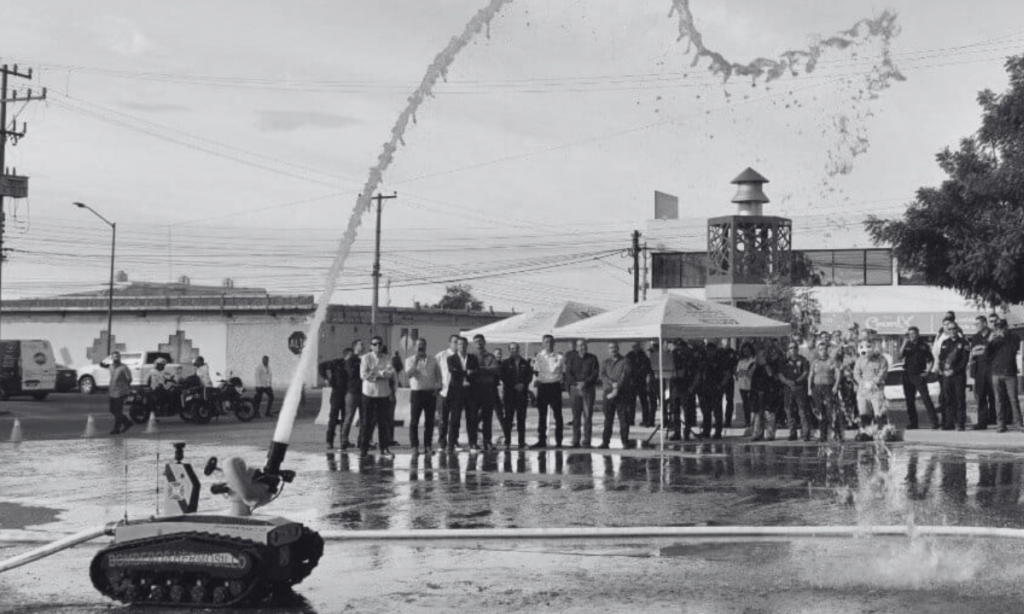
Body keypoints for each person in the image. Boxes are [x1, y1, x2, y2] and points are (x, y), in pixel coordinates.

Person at [359, 336, 396, 458]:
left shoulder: (387, 357)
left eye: (380, 344)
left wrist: (378, 373)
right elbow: (363, 375)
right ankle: (364, 448)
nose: (378, 346)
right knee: (367, 421)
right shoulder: (366, 358)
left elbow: (390, 373)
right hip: (369, 393)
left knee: (383, 422)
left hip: (383, 393)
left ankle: (384, 447)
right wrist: (381, 373)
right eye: (375, 344)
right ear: (371, 346)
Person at [406, 338, 441, 454]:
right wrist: (416, 361)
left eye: (422, 346)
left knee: (429, 421)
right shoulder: (409, 360)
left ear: (426, 347)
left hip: (430, 393)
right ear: (415, 347)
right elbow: (409, 375)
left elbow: (438, 375)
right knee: (414, 421)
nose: (420, 348)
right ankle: (414, 446)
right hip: (417, 393)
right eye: (418, 346)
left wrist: (438, 387)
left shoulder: (433, 360)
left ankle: (428, 446)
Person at [985, 319, 1021, 432]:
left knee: (1013, 399)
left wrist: (1003, 336)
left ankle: (1019, 423)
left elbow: (1013, 349)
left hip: (1010, 373)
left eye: (1001, 327)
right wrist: (990, 341)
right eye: (997, 327)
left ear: (1006, 327)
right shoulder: (994, 340)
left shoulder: (1014, 338)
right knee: (999, 400)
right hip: (996, 373)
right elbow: (987, 355)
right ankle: (1001, 424)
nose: (999, 329)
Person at [899, 326, 937, 430]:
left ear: (918, 334)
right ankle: (913, 423)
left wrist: (927, 372)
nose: (911, 336)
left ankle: (934, 422)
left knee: (926, 399)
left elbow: (931, 360)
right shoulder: (907, 345)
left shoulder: (924, 346)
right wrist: (904, 343)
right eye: (909, 334)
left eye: (913, 334)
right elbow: (899, 356)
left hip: (919, 375)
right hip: (907, 375)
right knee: (909, 401)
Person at [532, 334, 565, 449]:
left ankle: (559, 441)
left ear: (554, 343)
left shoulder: (559, 357)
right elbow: (536, 371)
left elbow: (563, 372)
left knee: (558, 416)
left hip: (555, 387)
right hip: (543, 387)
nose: (548, 344)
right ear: (542, 343)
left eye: (550, 342)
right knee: (542, 416)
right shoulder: (539, 356)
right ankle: (541, 440)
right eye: (546, 342)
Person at [446, 337, 480, 451]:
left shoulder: (473, 358)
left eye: (464, 344)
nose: (462, 346)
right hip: (456, 392)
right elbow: (453, 372)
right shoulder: (451, 358)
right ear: (457, 346)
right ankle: (451, 443)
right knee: (455, 419)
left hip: (471, 392)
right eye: (460, 344)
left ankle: (473, 443)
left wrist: (468, 373)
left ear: (467, 345)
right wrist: (467, 372)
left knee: (472, 418)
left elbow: (476, 372)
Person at [853, 336, 889, 440]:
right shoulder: (859, 360)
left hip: (876, 389)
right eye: (862, 346)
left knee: (879, 411)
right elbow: (856, 373)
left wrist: (874, 382)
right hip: (863, 391)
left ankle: (882, 431)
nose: (865, 349)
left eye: (868, 346)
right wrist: (861, 382)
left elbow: (883, 372)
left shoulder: (881, 359)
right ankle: (867, 432)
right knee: (864, 412)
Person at [599, 341, 633, 449]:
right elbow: (602, 375)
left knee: (623, 419)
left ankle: (625, 442)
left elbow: (625, 375)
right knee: (608, 419)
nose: (613, 349)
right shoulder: (605, 362)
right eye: (610, 347)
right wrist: (611, 383)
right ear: (608, 349)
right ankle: (605, 442)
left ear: (618, 348)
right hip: (608, 393)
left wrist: (617, 387)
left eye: (614, 347)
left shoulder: (626, 361)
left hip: (622, 393)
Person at [566, 339, 600, 448]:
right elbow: (568, 373)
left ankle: (587, 441)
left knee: (588, 416)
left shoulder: (593, 358)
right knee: (576, 416)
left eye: (584, 346)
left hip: (588, 389)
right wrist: (576, 383)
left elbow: (595, 373)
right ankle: (576, 440)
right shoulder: (572, 359)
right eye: (580, 346)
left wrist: (585, 383)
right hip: (575, 389)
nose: (582, 348)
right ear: (576, 347)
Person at [499, 343, 533, 448]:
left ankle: (521, 442)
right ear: (509, 350)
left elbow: (529, 376)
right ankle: (507, 441)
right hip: (509, 395)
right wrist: (513, 385)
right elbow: (503, 376)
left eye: (516, 348)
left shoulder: (525, 363)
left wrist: (523, 384)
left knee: (521, 419)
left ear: (519, 349)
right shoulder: (505, 363)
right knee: (508, 419)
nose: (514, 350)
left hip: (522, 395)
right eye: (512, 348)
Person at [938, 322, 970, 431]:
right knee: (948, 399)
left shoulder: (963, 343)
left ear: (957, 329)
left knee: (960, 399)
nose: (952, 331)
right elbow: (941, 359)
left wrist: (954, 371)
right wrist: (943, 370)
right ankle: (949, 423)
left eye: (954, 329)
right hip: (947, 376)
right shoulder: (945, 342)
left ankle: (960, 423)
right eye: (950, 329)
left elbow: (964, 361)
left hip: (958, 376)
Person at [471, 334, 500, 451]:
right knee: (473, 418)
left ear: (484, 342)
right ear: (474, 343)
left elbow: (495, 369)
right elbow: (470, 371)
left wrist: (480, 369)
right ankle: (473, 442)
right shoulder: (471, 357)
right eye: (476, 341)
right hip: (474, 390)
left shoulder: (491, 356)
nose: (479, 343)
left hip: (488, 389)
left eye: (480, 341)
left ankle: (487, 441)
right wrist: (486, 370)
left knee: (488, 417)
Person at [778, 341, 812, 441]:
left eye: (794, 347)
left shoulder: (803, 360)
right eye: (790, 348)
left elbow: (805, 373)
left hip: (800, 389)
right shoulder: (784, 361)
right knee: (789, 412)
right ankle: (792, 433)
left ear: (797, 349)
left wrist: (796, 381)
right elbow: (780, 374)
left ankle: (806, 433)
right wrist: (788, 382)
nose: (792, 350)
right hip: (788, 389)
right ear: (788, 350)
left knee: (802, 412)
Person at [809, 339, 841, 442]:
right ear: (818, 351)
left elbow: (838, 373)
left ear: (827, 350)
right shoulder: (815, 362)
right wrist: (809, 388)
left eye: (824, 349)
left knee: (830, 412)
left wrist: (836, 386)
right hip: (817, 388)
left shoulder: (832, 360)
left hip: (828, 388)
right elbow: (810, 376)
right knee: (819, 412)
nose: (822, 351)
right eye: (820, 349)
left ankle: (836, 434)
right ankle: (823, 436)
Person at [319, 349, 350, 449]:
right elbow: (321, 366)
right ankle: (329, 440)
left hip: (347, 394)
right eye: (350, 355)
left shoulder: (353, 364)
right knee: (333, 418)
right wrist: (326, 379)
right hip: (336, 393)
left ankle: (344, 440)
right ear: (346, 355)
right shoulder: (336, 363)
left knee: (345, 419)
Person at [969, 315, 996, 430]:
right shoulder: (975, 337)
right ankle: (982, 421)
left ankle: (995, 418)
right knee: (981, 396)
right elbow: (973, 353)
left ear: (984, 323)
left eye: (978, 324)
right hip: (979, 369)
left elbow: (990, 352)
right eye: (975, 324)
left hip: (992, 368)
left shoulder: (993, 334)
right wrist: (983, 348)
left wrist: (981, 349)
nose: (976, 326)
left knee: (994, 396)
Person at [698, 341, 728, 440]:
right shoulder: (704, 360)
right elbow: (700, 374)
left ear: (715, 350)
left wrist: (721, 385)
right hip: (706, 388)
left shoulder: (720, 360)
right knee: (706, 411)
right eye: (708, 350)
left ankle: (718, 432)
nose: (709, 352)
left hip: (716, 388)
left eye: (711, 350)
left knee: (717, 411)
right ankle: (706, 431)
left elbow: (727, 374)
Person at [338, 340, 364, 450]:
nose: (363, 346)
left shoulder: (364, 359)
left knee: (364, 418)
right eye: (361, 345)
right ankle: (344, 440)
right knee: (349, 417)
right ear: (355, 347)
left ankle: (361, 440)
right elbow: (352, 373)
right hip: (352, 392)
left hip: (364, 392)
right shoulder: (351, 360)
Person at [435, 335, 459, 450]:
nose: (457, 344)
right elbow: (433, 371)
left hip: (457, 392)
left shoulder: (462, 356)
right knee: (443, 419)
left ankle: (453, 441)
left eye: (458, 342)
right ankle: (442, 441)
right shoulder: (441, 355)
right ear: (449, 343)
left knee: (455, 419)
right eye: (455, 342)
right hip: (443, 392)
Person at [749, 348, 776, 442]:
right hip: (755, 392)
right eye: (760, 355)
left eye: (763, 355)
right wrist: (756, 364)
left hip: (768, 392)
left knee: (769, 414)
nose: (761, 357)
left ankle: (770, 434)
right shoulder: (753, 365)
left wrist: (765, 364)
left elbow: (770, 374)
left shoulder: (770, 364)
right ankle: (756, 434)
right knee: (756, 415)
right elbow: (749, 375)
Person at [625, 342, 651, 426]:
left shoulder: (643, 356)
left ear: (639, 347)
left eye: (636, 346)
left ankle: (646, 419)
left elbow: (646, 368)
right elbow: (626, 366)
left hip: (641, 382)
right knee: (631, 402)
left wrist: (639, 374)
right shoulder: (629, 355)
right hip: (632, 382)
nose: (634, 348)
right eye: (633, 347)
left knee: (644, 402)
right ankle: (630, 419)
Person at [108, 351, 133, 435]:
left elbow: (129, 378)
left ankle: (116, 429)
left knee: (118, 411)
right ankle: (127, 422)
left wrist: (125, 386)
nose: (116, 358)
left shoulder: (124, 367)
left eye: (117, 357)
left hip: (121, 392)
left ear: (120, 358)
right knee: (112, 410)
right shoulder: (111, 367)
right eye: (114, 357)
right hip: (112, 391)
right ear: (111, 358)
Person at [717, 341, 739, 428]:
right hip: (719, 379)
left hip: (729, 379)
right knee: (718, 401)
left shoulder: (731, 353)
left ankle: (728, 420)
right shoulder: (718, 353)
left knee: (729, 401)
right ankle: (719, 420)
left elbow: (733, 366)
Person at [734, 343, 756, 428]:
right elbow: (738, 373)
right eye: (744, 351)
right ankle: (747, 421)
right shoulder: (741, 361)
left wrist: (745, 372)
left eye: (747, 350)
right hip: (742, 385)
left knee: (752, 404)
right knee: (745, 404)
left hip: (751, 385)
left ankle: (753, 422)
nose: (746, 352)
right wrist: (744, 372)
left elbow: (750, 373)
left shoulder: (753, 360)